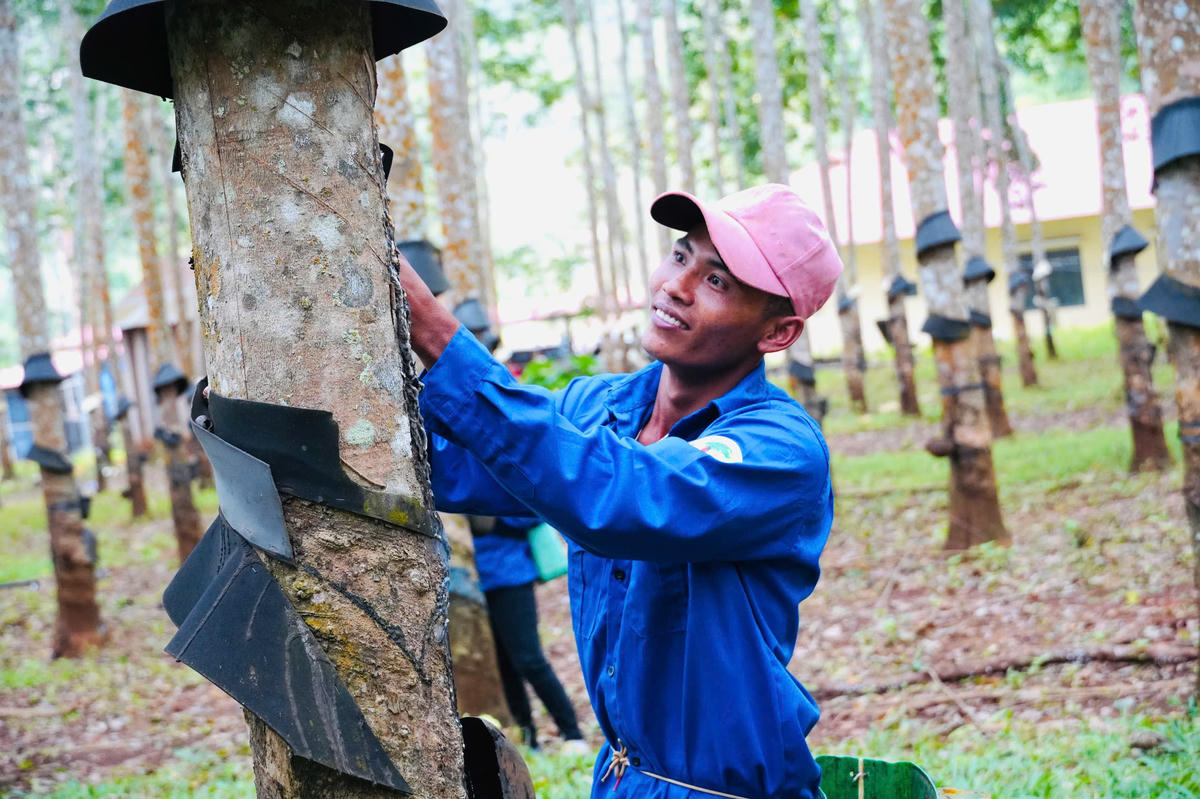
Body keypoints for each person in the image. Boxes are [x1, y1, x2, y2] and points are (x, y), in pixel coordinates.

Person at [400, 183, 841, 798]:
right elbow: (457, 463)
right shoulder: (601, 406)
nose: (675, 286)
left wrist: (442, 341)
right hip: (620, 779)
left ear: (777, 332)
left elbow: (623, 498)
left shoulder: (779, 450)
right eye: (682, 257)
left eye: (717, 282)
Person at [468, 513, 588, 752]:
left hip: (510, 574)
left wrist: (494, 517)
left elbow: (530, 512)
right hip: (471, 581)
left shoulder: (499, 477)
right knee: (504, 666)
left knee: (529, 659)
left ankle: (573, 734)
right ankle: (528, 738)